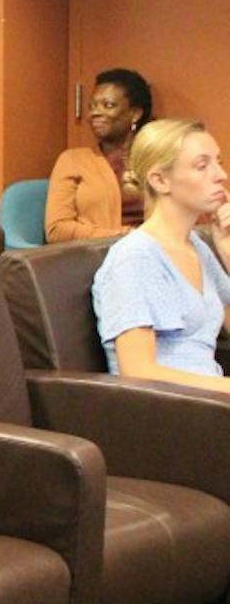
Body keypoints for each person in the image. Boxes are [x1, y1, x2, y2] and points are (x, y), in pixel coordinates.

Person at [91, 119, 230, 389]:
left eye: (219, 162)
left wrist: (227, 251)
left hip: (212, 405)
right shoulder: (134, 258)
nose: (220, 175)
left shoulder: (197, 247)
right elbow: (138, 371)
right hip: (171, 413)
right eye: (203, 166)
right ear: (160, 180)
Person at [47, 68, 153, 241]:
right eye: (92, 106)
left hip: (153, 256)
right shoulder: (72, 160)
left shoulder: (156, 159)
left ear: (135, 114)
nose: (95, 112)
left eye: (108, 105)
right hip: (95, 258)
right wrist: (121, 237)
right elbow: (57, 230)